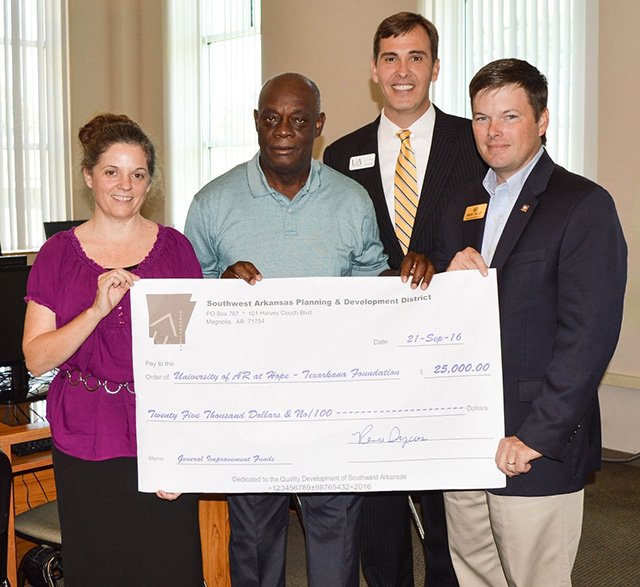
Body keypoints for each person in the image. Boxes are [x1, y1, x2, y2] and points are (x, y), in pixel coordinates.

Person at [184, 72, 431, 587]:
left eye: (298, 119)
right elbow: (187, 300)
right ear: (256, 122)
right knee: (253, 539)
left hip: (332, 403)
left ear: (318, 125)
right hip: (249, 406)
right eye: (271, 118)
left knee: (335, 533)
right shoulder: (213, 202)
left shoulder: (350, 200)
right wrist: (218, 288)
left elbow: (370, 283)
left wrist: (406, 275)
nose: (283, 130)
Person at [433, 58, 627, 586]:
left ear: (541, 121)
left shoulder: (582, 204)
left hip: (532, 446)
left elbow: (589, 337)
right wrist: (446, 281)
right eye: (480, 117)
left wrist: (536, 436)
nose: (493, 132)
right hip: (466, 438)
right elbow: (445, 322)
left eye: (509, 115)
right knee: (474, 575)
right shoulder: (462, 205)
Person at [323, 12, 486, 587]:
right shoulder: (340, 156)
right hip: (373, 364)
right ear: (373, 70)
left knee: (450, 518)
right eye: (390, 58)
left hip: (449, 362)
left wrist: (441, 269)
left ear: (435, 67)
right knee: (380, 516)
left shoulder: (477, 142)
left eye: (416, 57)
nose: (403, 71)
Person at [22, 114, 204, 586]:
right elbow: (37, 358)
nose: (125, 185)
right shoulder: (58, 255)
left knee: (170, 565)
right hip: (85, 431)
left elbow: (188, 357)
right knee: (100, 567)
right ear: (88, 176)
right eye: (111, 172)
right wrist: (95, 310)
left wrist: (183, 450)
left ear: (150, 182)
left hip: (159, 427)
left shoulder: (175, 251)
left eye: (138, 174)